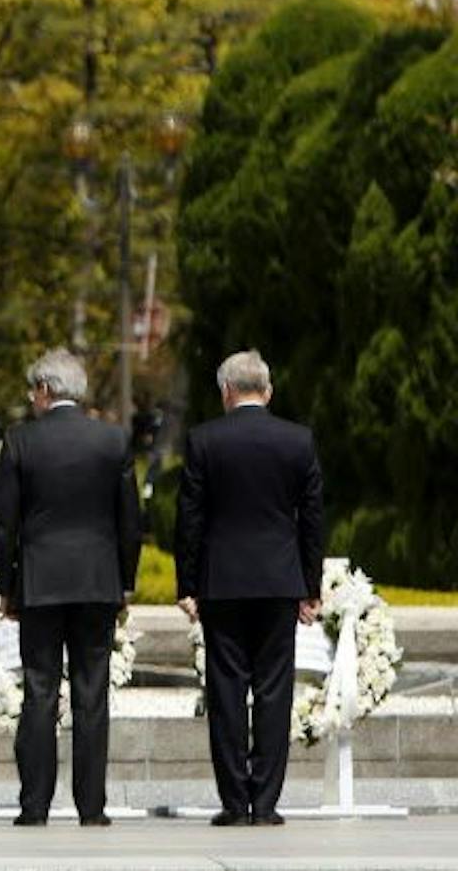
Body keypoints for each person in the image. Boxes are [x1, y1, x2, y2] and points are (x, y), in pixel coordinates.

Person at [0, 349, 141, 827]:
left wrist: (6, 586)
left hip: (40, 580)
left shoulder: (19, 441)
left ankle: (34, 806)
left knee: (39, 690)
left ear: (44, 390)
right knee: (91, 692)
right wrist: (126, 581)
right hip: (98, 580)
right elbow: (129, 522)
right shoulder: (113, 440)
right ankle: (91, 807)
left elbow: (3, 525)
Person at [176, 349, 324, 827]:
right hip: (280, 580)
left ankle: (234, 802)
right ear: (268, 390)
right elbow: (312, 521)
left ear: (225, 391)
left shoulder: (204, 439)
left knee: (227, 691)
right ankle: (266, 803)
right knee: (274, 691)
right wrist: (311, 585)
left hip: (222, 582)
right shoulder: (297, 441)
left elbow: (190, 519)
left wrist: (187, 583)